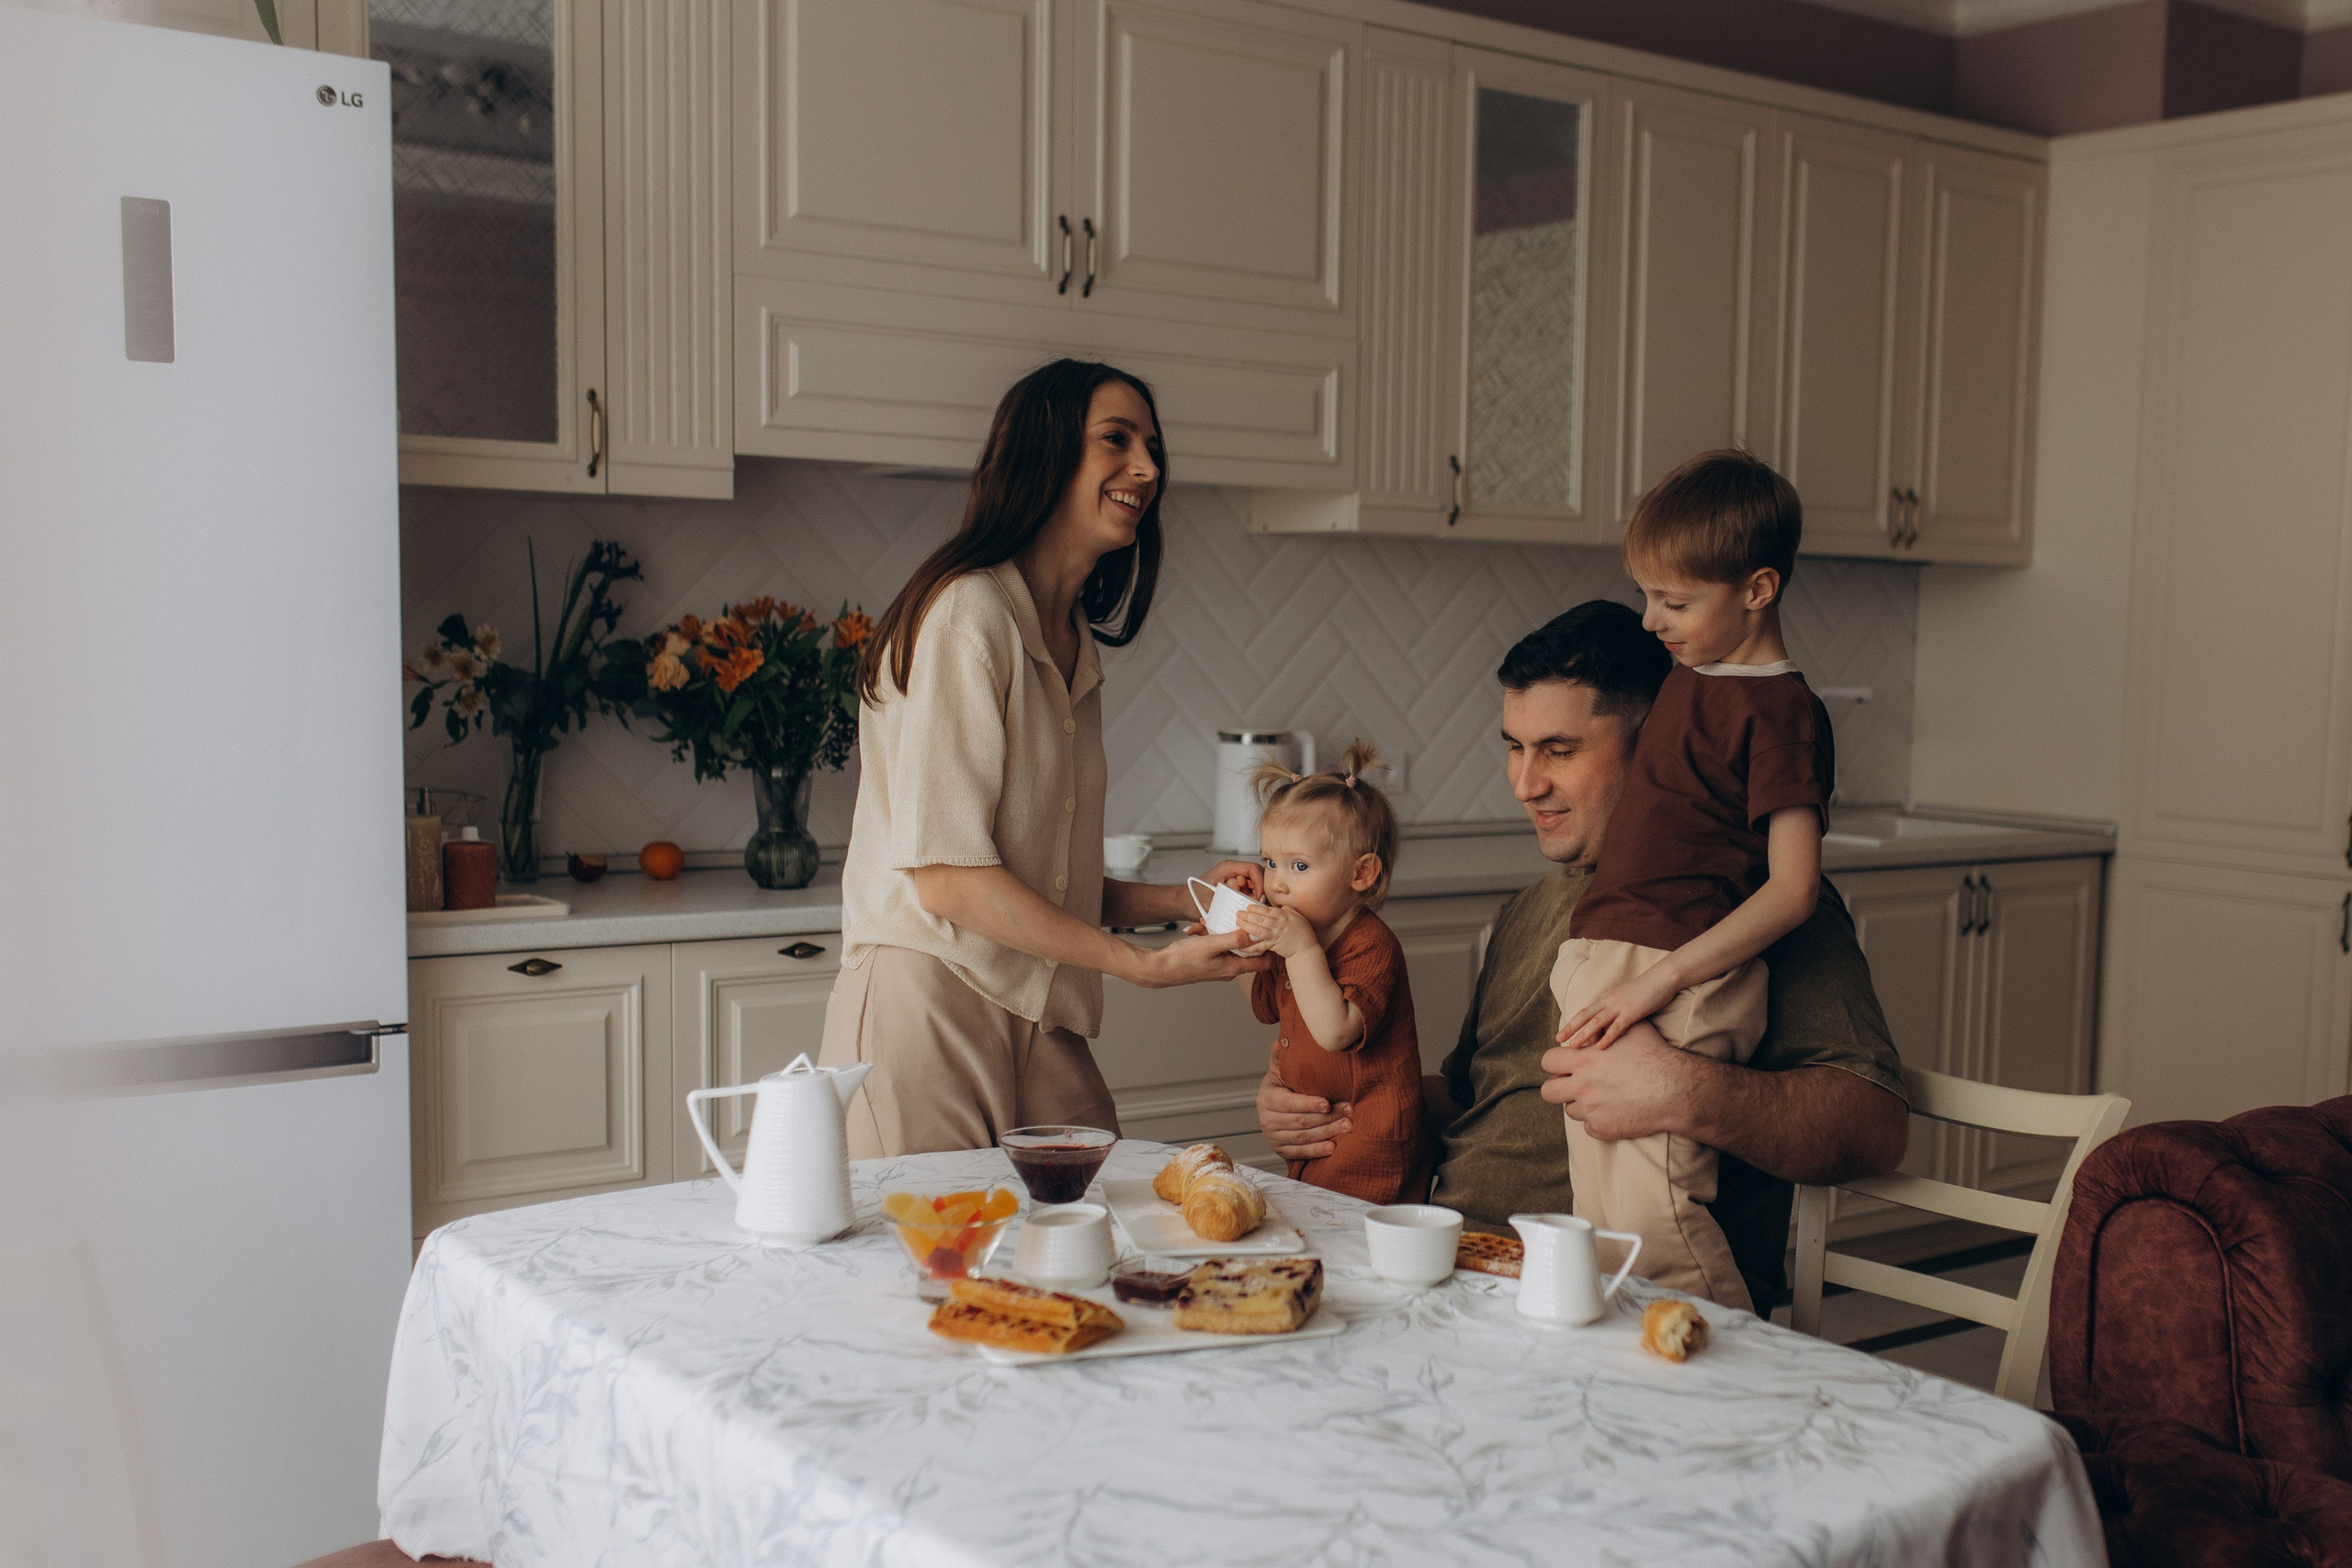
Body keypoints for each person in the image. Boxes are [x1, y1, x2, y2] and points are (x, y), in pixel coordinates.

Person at [1255, 600, 1909, 1314]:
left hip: (1617, 1299)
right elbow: (1478, 1101)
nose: (1524, 782)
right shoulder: (1529, 905)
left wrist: (1687, 1092)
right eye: (1515, 745)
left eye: (1559, 751)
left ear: (1657, 744)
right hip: (1453, 1270)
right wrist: (1330, 1102)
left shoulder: (1751, 904)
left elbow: (1874, 1127)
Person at [820, 359, 1264, 1159]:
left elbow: (1041, 876)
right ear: (1047, 453)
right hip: (929, 999)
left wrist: (1184, 894)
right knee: (935, 1273)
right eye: (1117, 441)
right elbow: (950, 877)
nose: (1148, 469)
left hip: (1036, 1007)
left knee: (1101, 1242)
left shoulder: (1071, 645)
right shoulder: (967, 616)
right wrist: (1141, 965)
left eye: (1152, 447)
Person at [1547, 450, 1833, 1310]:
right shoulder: (1690, 674)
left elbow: (1793, 889)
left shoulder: (1782, 711)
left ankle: (1745, 1381)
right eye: (1647, 595)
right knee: (1601, 1235)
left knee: (1656, 1222)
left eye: (1673, 602)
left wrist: (1661, 979)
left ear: (1758, 588)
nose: (1649, 620)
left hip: (1678, 969)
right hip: (1613, 958)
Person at [1218, 740, 1427, 1207]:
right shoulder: (1299, 937)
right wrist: (1238, 943)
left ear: (1361, 874)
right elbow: (1266, 1004)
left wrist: (1300, 951)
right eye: (1269, 861)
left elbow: (1336, 1030)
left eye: (1298, 865)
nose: (1276, 882)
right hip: (1322, 1136)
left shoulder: (1371, 945)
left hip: (1371, 1143)